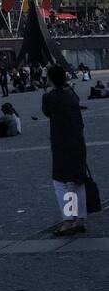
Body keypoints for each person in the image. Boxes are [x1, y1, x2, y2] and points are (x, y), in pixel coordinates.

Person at [42, 66, 89, 235]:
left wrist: (48, 91)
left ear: (51, 79)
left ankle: (68, 220)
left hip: (62, 145)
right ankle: (80, 219)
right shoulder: (72, 95)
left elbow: (47, 112)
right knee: (77, 181)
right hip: (77, 142)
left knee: (60, 183)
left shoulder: (49, 97)